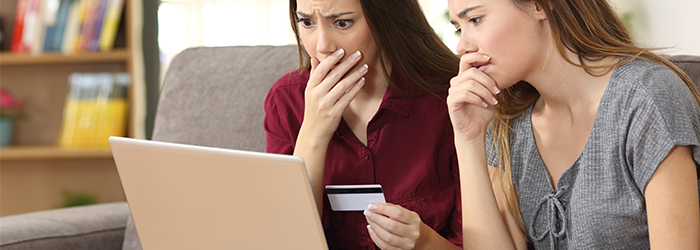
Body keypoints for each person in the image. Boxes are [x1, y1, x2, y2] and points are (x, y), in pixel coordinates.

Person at [446, 0, 700, 249]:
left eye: (475, 20)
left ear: (539, 6)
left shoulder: (647, 98)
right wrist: (468, 139)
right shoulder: (508, 123)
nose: (461, 46)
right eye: (459, 28)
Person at [264, 0, 463, 249]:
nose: (323, 46)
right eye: (307, 22)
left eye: (342, 22)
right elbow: (284, 240)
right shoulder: (286, 101)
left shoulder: (450, 98)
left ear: (385, 19)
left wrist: (426, 243)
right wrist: (313, 134)